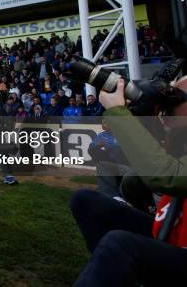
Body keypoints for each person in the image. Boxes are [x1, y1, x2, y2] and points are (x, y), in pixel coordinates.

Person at [72, 77, 187, 286]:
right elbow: (143, 173)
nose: (168, 108)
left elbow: (164, 175)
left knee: (119, 244)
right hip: (171, 233)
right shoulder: (179, 138)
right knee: (86, 201)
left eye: (176, 99)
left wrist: (118, 113)